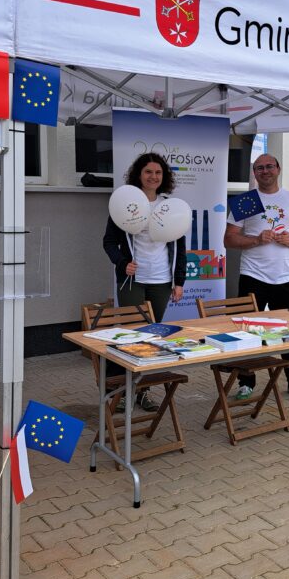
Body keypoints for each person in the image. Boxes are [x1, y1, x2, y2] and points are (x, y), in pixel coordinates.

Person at [223, 153, 289, 400]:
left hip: (285, 278)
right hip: (253, 276)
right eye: (259, 168)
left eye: (269, 166)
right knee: (247, 330)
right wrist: (256, 239)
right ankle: (246, 382)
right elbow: (229, 238)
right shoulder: (247, 200)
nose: (265, 171)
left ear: (278, 169)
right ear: (254, 173)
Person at [103, 153, 187, 412]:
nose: (153, 176)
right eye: (148, 172)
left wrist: (179, 281)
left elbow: (180, 248)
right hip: (133, 280)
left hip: (161, 280)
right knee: (130, 335)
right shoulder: (127, 202)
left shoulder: (169, 206)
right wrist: (121, 262)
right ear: (139, 174)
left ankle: (142, 391)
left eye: (158, 173)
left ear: (164, 177)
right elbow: (108, 242)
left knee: (151, 337)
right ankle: (117, 389)